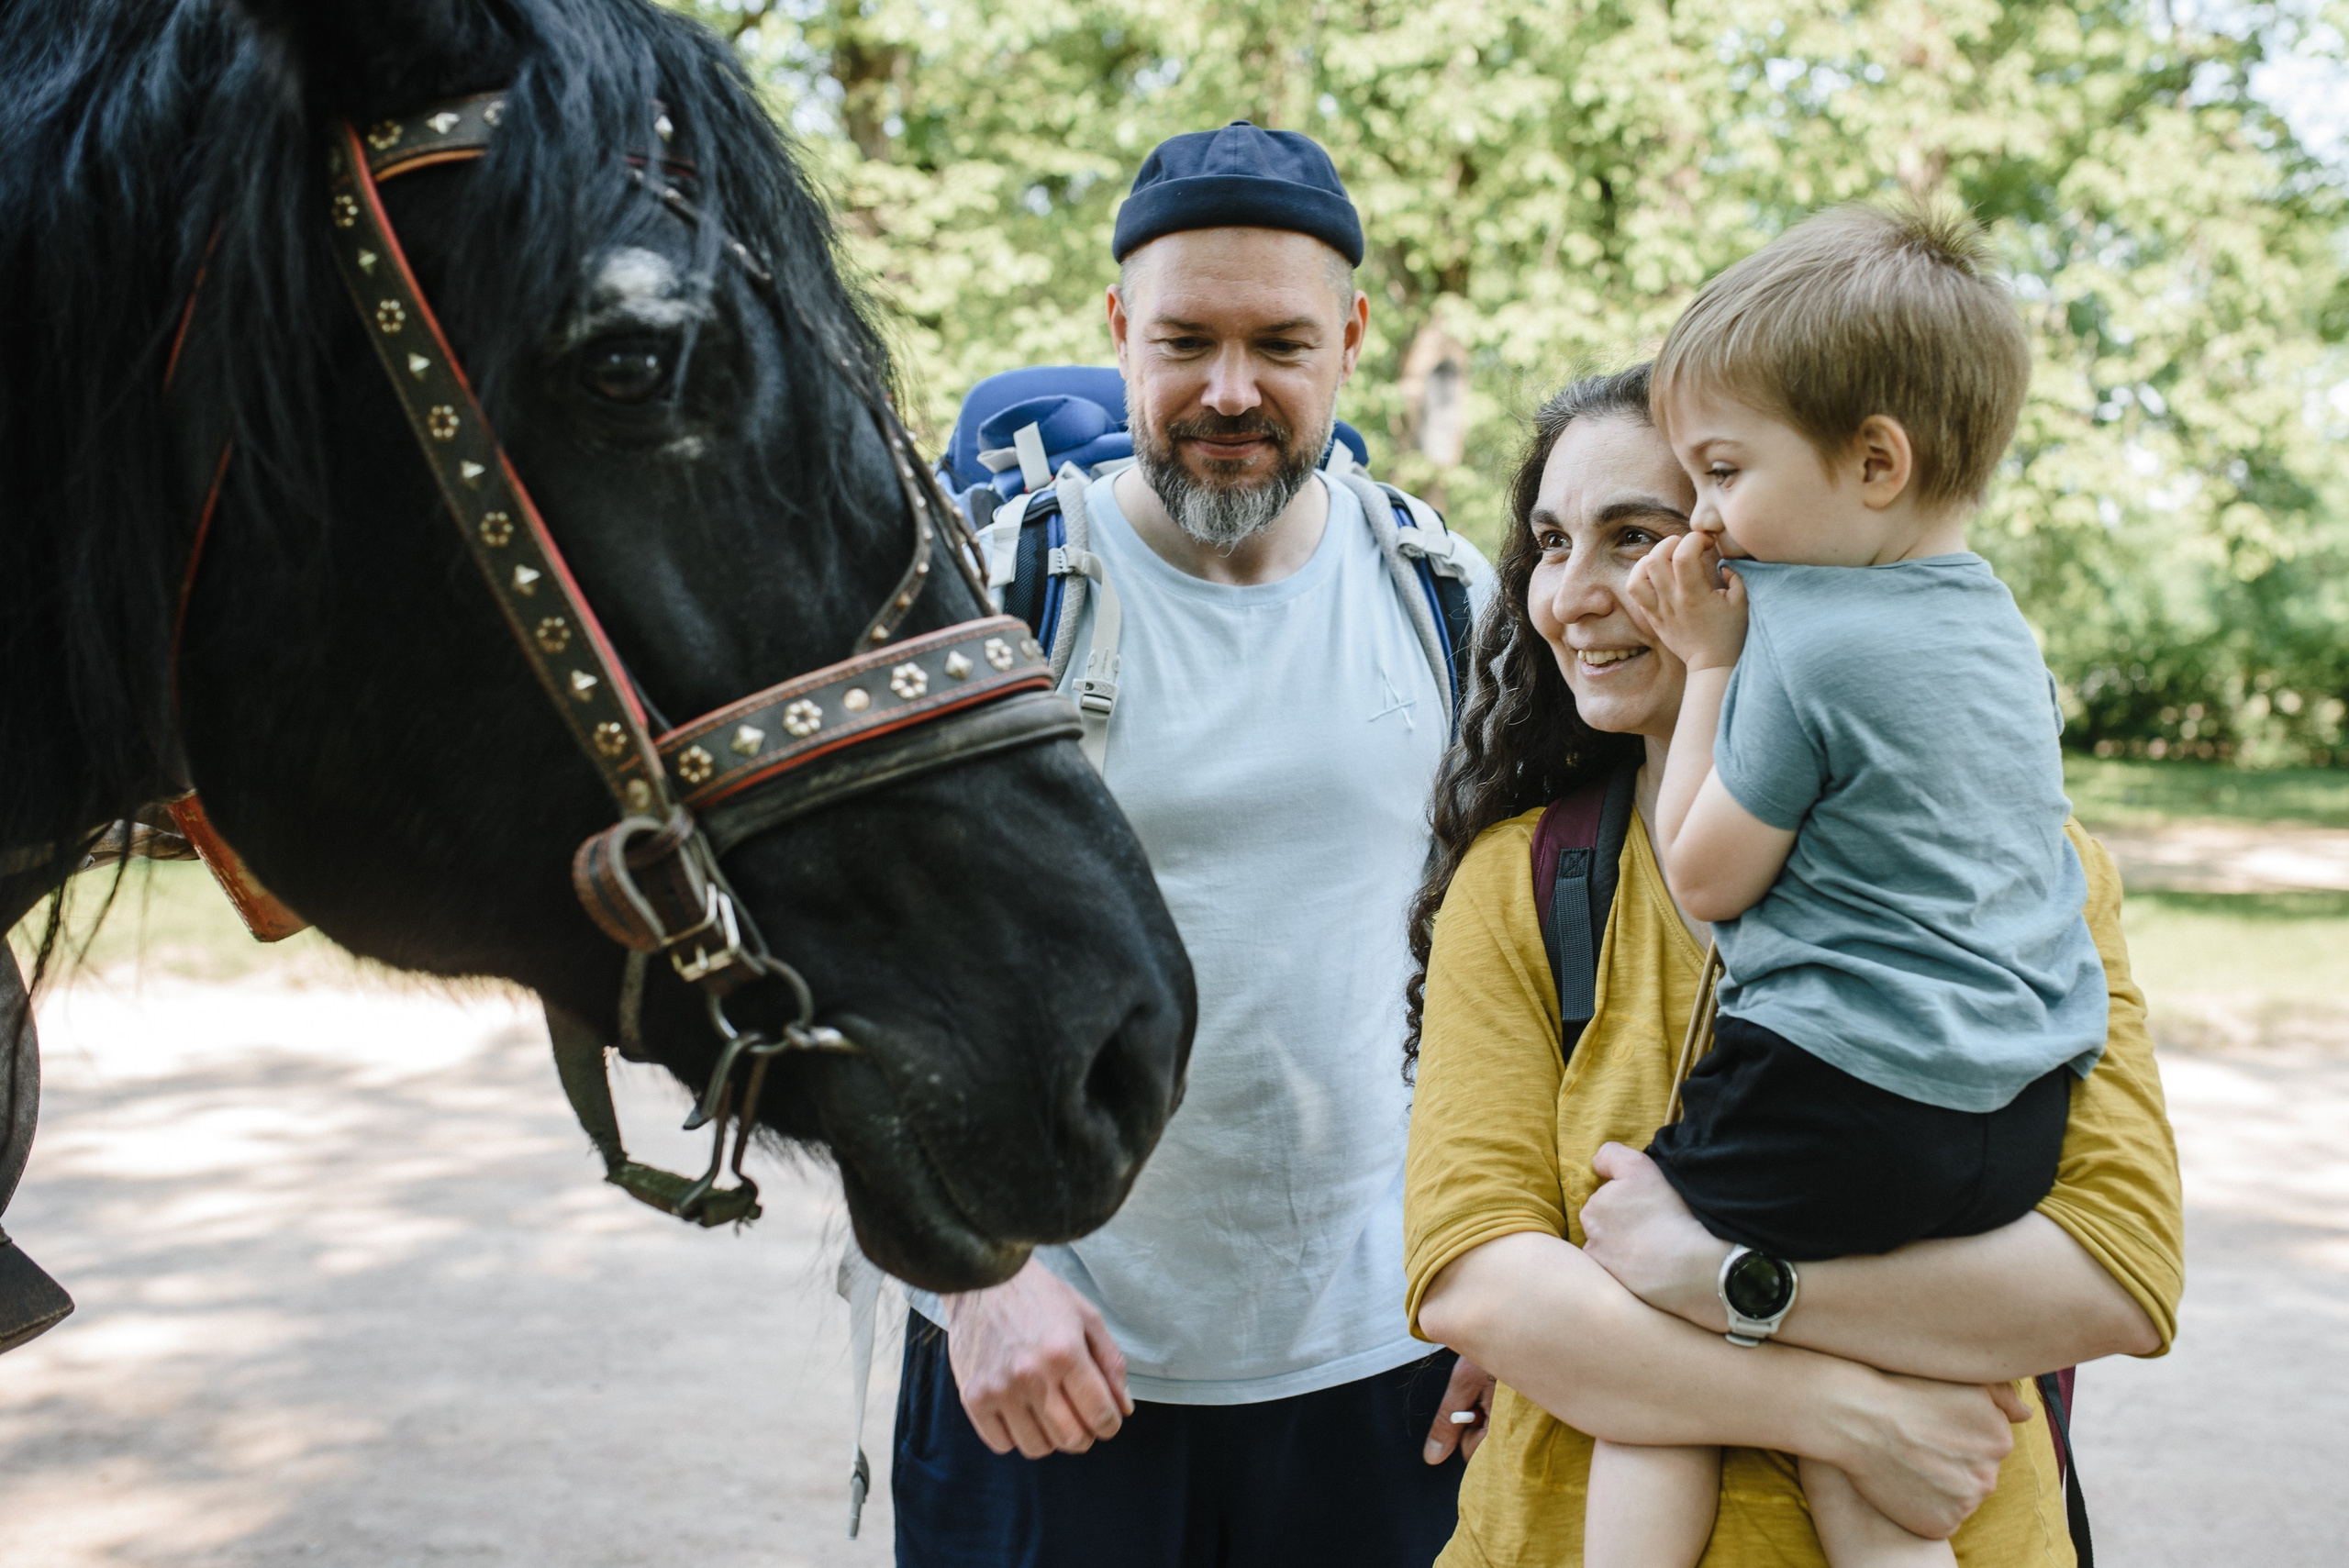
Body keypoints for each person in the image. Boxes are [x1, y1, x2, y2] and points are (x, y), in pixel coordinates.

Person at [1401, 362, 2184, 1566]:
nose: (1573, 593)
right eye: (1553, 543)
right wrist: (1844, 1409)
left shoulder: (2031, 864)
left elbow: (2114, 1269)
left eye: (1639, 539)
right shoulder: (1523, 883)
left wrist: (1704, 1277)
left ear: (1781, 548)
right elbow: (1482, 1282)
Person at [889, 121, 1497, 1568]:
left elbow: (1527, 973)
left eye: (1280, 344)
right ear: (1117, 333)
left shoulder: (1452, 597)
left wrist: (1519, 1277)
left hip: (1381, 1363)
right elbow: (870, 964)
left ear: (1352, 337)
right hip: (1045, 1366)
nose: (1230, 392)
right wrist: (982, 1277)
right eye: (1185, 343)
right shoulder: (985, 595)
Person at [1577, 205, 2110, 1567]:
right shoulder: (1998, 628)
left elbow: (1703, 873)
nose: (1702, 517)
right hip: (2010, 1112)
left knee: (1643, 1346)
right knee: (1876, 1408)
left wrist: (1706, 666)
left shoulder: (1804, 639)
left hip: (1840, 1096)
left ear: (1875, 462)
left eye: (1723, 470)